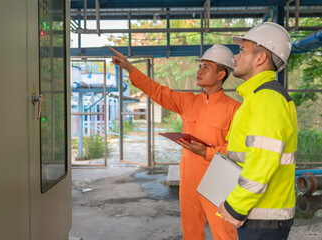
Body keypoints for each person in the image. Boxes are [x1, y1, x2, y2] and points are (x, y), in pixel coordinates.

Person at [110, 45, 240, 240]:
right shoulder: (188, 101)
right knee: (191, 232)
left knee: (224, 233)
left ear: (221, 74)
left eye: (206, 67)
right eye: (200, 66)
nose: (199, 71)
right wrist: (129, 68)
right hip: (188, 179)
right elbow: (157, 91)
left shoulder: (234, 109)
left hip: (218, 179)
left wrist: (207, 152)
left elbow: (238, 149)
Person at [217, 22, 298, 240]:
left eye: (242, 50)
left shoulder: (267, 98)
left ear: (261, 58)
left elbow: (261, 161)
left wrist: (235, 206)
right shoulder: (258, 97)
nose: (235, 57)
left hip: (263, 218)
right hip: (260, 216)